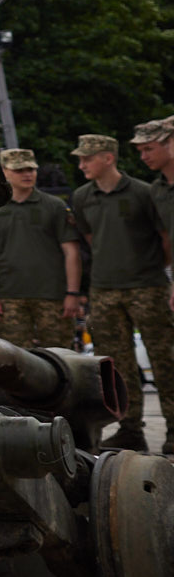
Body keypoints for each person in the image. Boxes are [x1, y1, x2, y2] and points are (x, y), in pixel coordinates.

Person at [70, 133, 174, 453]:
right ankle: (130, 430)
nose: (82, 164)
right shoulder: (82, 196)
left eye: (87, 158)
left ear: (108, 158)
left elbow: (166, 238)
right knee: (117, 366)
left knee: (164, 360)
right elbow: (89, 238)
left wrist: (150, 267)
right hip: (104, 290)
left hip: (148, 286)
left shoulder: (145, 192)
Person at [0, 150, 83, 354]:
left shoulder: (54, 206)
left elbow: (72, 251)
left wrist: (72, 292)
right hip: (9, 296)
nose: (27, 174)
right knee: (16, 360)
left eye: (30, 169)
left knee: (60, 355)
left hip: (52, 296)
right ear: (4, 172)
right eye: (19, 170)